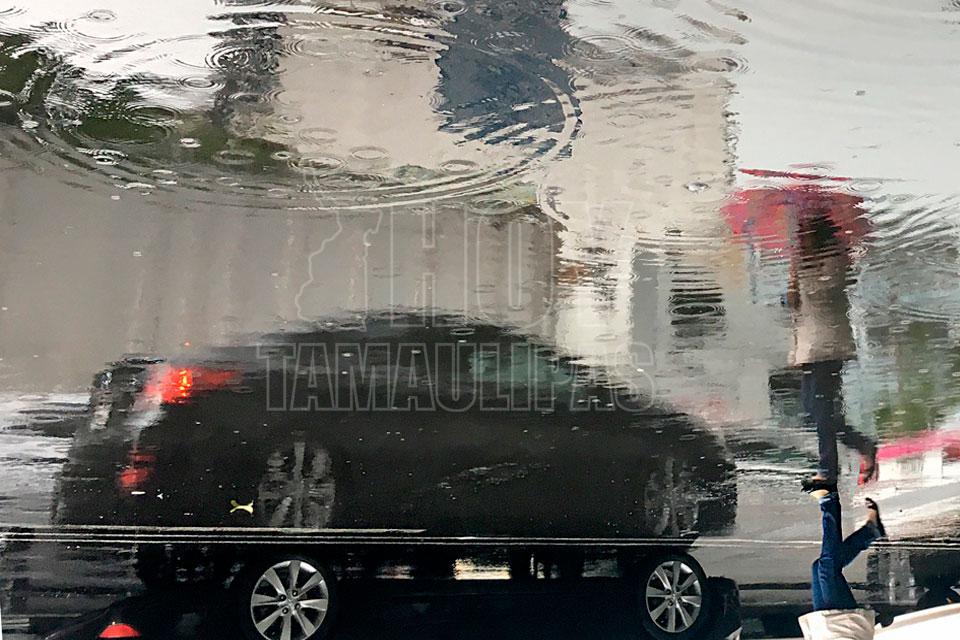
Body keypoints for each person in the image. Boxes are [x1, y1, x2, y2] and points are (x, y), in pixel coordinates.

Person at [788, 212, 878, 487]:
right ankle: (862, 444)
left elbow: (824, 292)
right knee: (812, 411)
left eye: (804, 232)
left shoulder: (836, 257)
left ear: (816, 232)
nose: (800, 238)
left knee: (822, 410)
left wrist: (801, 270)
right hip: (809, 347)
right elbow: (795, 304)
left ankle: (828, 470)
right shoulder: (804, 263)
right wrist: (793, 279)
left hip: (828, 347)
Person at [798, 484, 886, 640]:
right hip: (843, 628)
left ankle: (870, 531)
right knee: (827, 568)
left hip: (823, 630)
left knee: (819, 567)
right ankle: (829, 501)